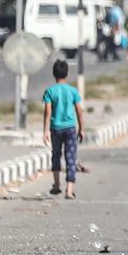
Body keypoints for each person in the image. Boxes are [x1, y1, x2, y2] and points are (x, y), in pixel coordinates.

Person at [42, 59, 84, 200]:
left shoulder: (50, 91)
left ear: (54, 74)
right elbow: (79, 110)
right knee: (70, 157)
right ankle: (69, 190)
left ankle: (56, 184)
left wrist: (45, 131)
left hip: (55, 129)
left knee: (56, 155)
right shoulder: (73, 91)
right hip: (70, 129)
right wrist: (81, 128)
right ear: (67, 73)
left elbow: (47, 112)